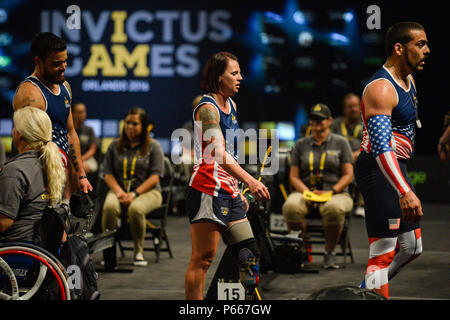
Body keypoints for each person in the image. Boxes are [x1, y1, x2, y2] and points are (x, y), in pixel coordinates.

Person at [184, 52, 270, 300]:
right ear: (218, 77)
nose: (240, 78)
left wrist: (236, 187)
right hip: (207, 189)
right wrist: (250, 181)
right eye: (234, 73)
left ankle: (248, 299)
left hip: (228, 190)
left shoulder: (232, 105)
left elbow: (231, 152)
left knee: (248, 254)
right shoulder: (208, 109)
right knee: (203, 260)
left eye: (240, 72)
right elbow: (219, 154)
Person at [355, 22, 430, 299]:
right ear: (399, 48)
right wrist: (404, 190)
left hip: (397, 166)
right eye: (420, 44)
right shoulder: (382, 88)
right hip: (378, 168)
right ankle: (372, 290)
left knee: (412, 247)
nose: (427, 50)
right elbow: (380, 146)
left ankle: (366, 290)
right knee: (383, 252)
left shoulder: (408, 81)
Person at [12, 32, 92, 208]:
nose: (63, 67)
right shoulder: (30, 95)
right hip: (39, 177)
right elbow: (24, 143)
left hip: (59, 175)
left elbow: (69, 132)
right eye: (56, 64)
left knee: (61, 229)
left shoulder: (65, 87)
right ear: (38, 61)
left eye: (65, 61)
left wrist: (81, 174)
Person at [282, 103, 354, 269]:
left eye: (320, 119)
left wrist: (331, 191)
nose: (316, 122)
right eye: (313, 119)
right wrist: (306, 192)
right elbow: (294, 176)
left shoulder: (341, 143)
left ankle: (330, 252)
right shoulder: (300, 144)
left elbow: (348, 175)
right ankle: (302, 248)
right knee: (291, 206)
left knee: (333, 208)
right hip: (307, 192)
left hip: (337, 192)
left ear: (329, 121)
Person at [101, 107, 164, 267]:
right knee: (109, 207)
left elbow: (155, 176)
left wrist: (134, 194)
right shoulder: (114, 145)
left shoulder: (154, 146)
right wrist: (120, 192)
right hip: (119, 190)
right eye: (127, 123)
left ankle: (138, 251)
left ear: (143, 126)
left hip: (149, 192)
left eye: (134, 123)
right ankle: (109, 253)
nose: (129, 126)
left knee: (135, 209)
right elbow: (107, 174)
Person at [0, 107, 66, 243]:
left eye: (14, 127)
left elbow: (3, 223)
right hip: (42, 248)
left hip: (14, 250)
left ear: (19, 134)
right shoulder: (53, 165)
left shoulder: (14, 170)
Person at [330, 93, 365, 217]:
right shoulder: (335, 124)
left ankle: (361, 204)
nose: (353, 109)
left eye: (356, 106)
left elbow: (372, 142)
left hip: (360, 158)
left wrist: (359, 153)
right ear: (344, 109)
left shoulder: (366, 122)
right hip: (338, 159)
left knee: (365, 163)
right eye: (350, 107)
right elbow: (328, 143)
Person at [72, 101, 99, 175]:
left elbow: (92, 149)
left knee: (82, 167)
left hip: (86, 159)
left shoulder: (89, 129)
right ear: (73, 113)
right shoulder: (68, 129)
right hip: (71, 159)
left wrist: (81, 159)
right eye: (80, 112)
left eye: (84, 112)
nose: (83, 114)